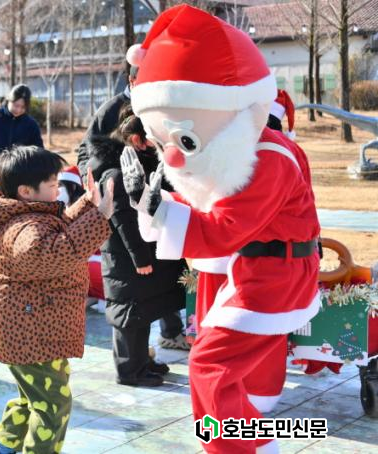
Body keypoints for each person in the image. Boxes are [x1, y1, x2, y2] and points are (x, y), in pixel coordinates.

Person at [122, 6, 320, 453]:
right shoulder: (249, 149)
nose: (173, 156)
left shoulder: (269, 158)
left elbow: (226, 226)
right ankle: (251, 441)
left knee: (210, 365)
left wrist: (157, 207)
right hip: (254, 271)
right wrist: (154, 203)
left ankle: (242, 446)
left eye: (184, 142)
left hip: (274, 276)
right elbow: (210, 206)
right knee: (215, 366)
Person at [0, 146, 113, 454]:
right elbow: (56, 253)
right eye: (52, 184)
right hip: (31, 331)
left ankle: (3, 446)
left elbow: (60, 229)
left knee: (32, 395)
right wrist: (100, 217)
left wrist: (88, 203)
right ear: (26, 191)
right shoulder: (24, 228)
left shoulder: (27, 216)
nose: (58, 190)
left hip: (32, 327)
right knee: (53, 404)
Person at [88, 109, 187, 387]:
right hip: (126, 259)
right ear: (136, 140)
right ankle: (129, 370)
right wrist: (140, 258)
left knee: (143, 311)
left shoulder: (134, 165)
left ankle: (141, 361)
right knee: (128, 315)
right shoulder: (116, 173)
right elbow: (125, 221)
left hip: (137, 256)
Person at [56, 166, 105, 313]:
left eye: (59, 185)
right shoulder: (63, 209)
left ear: (72, 187)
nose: (57, 190)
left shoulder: (84, 210)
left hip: (93, 266)